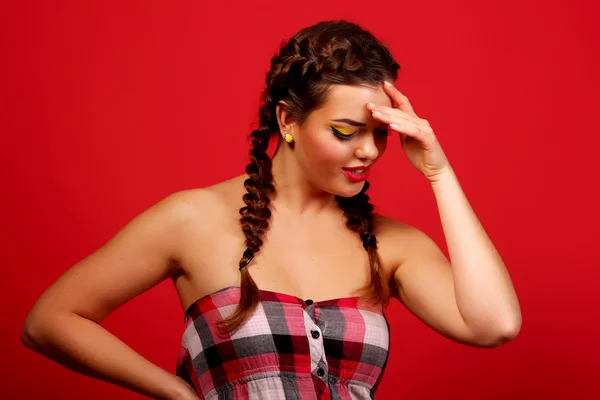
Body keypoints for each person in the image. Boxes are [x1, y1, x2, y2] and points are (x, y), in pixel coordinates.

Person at [21, 20, 522, 400]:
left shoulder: (391, 245)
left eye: (381, 134)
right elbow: (51, 320)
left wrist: (439, 173)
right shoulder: (192, 220)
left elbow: (493, 325)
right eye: (346, 131)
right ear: (287, 119)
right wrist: (178, 394)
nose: (368, 151)